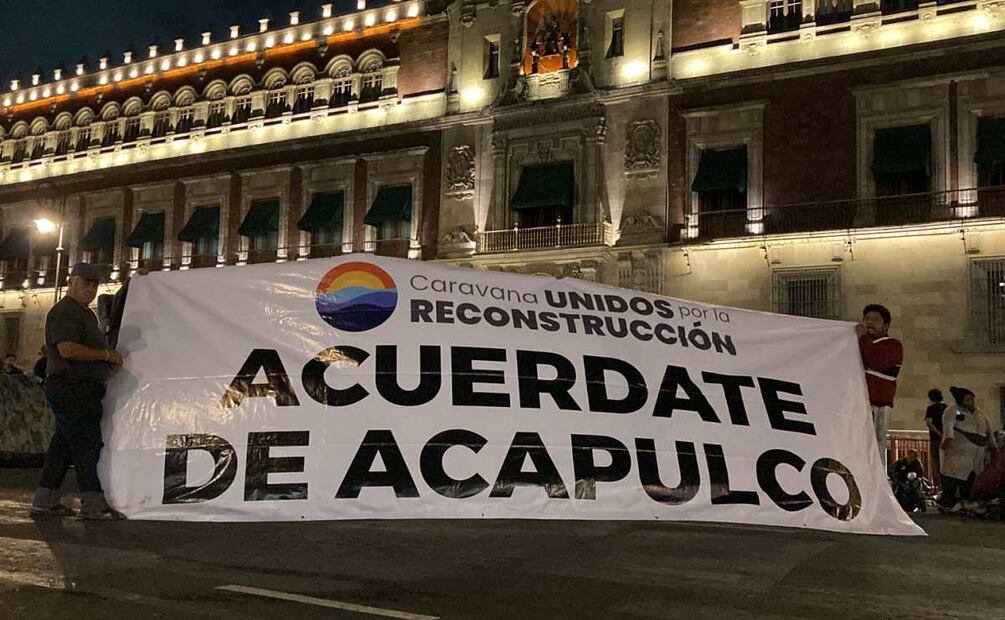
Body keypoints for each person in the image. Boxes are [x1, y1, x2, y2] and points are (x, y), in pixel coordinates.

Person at [30, 263, 125, 520]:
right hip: (72, 387)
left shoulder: (83, 313)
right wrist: (106, 355)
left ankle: (45, 499)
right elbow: (68, 349)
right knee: (86, 444)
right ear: (72, 282)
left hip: (75, 386)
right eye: (86, 283)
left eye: (94, 285)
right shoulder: (66, 312)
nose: (91, 289)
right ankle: (93, 502)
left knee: (63, 445)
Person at [855, 304, 903, 464]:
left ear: (886, 325)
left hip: (877, 406)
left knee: (874, 451)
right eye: (867, 319)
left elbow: (876, 360)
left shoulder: (893, 345)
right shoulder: (858, 343)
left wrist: (862, 338)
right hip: (856, 406)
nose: (869, 322)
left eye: (875, 319)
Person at [938, 386, 998, 513]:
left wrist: (993, 446)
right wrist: (947, 441)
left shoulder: (980, 413)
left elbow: (989, 430)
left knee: (971, 478)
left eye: (972, 399)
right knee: (953, 479)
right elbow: (948, 427)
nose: (971, 402)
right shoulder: (953, 410)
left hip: (976, 453)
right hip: (957, 451)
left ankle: (967, 503)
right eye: (968, 399)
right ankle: (949, 503)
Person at [924, 389, 946, 481]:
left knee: (937, 464)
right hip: (947, 439)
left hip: (936, 439)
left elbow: (929, 423)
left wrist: (938, 433)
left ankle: (940, 487)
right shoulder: (947, 408)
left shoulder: (931, 409)